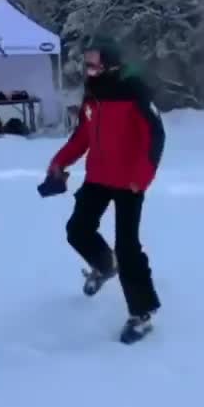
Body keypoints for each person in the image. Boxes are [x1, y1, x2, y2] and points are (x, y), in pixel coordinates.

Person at [48, 37, 165, 344]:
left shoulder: (135, 92)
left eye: (93, 65)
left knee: (128, 248)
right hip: (98, 176)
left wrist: (141, 177)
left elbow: (155, 137)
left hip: (129, 181)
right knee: (77, 230)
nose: (87, 69)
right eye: (86, 64)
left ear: (111, 65)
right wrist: (59, 162)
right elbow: (82, 137)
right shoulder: (93, 96)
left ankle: (142, 314)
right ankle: (103, 265)